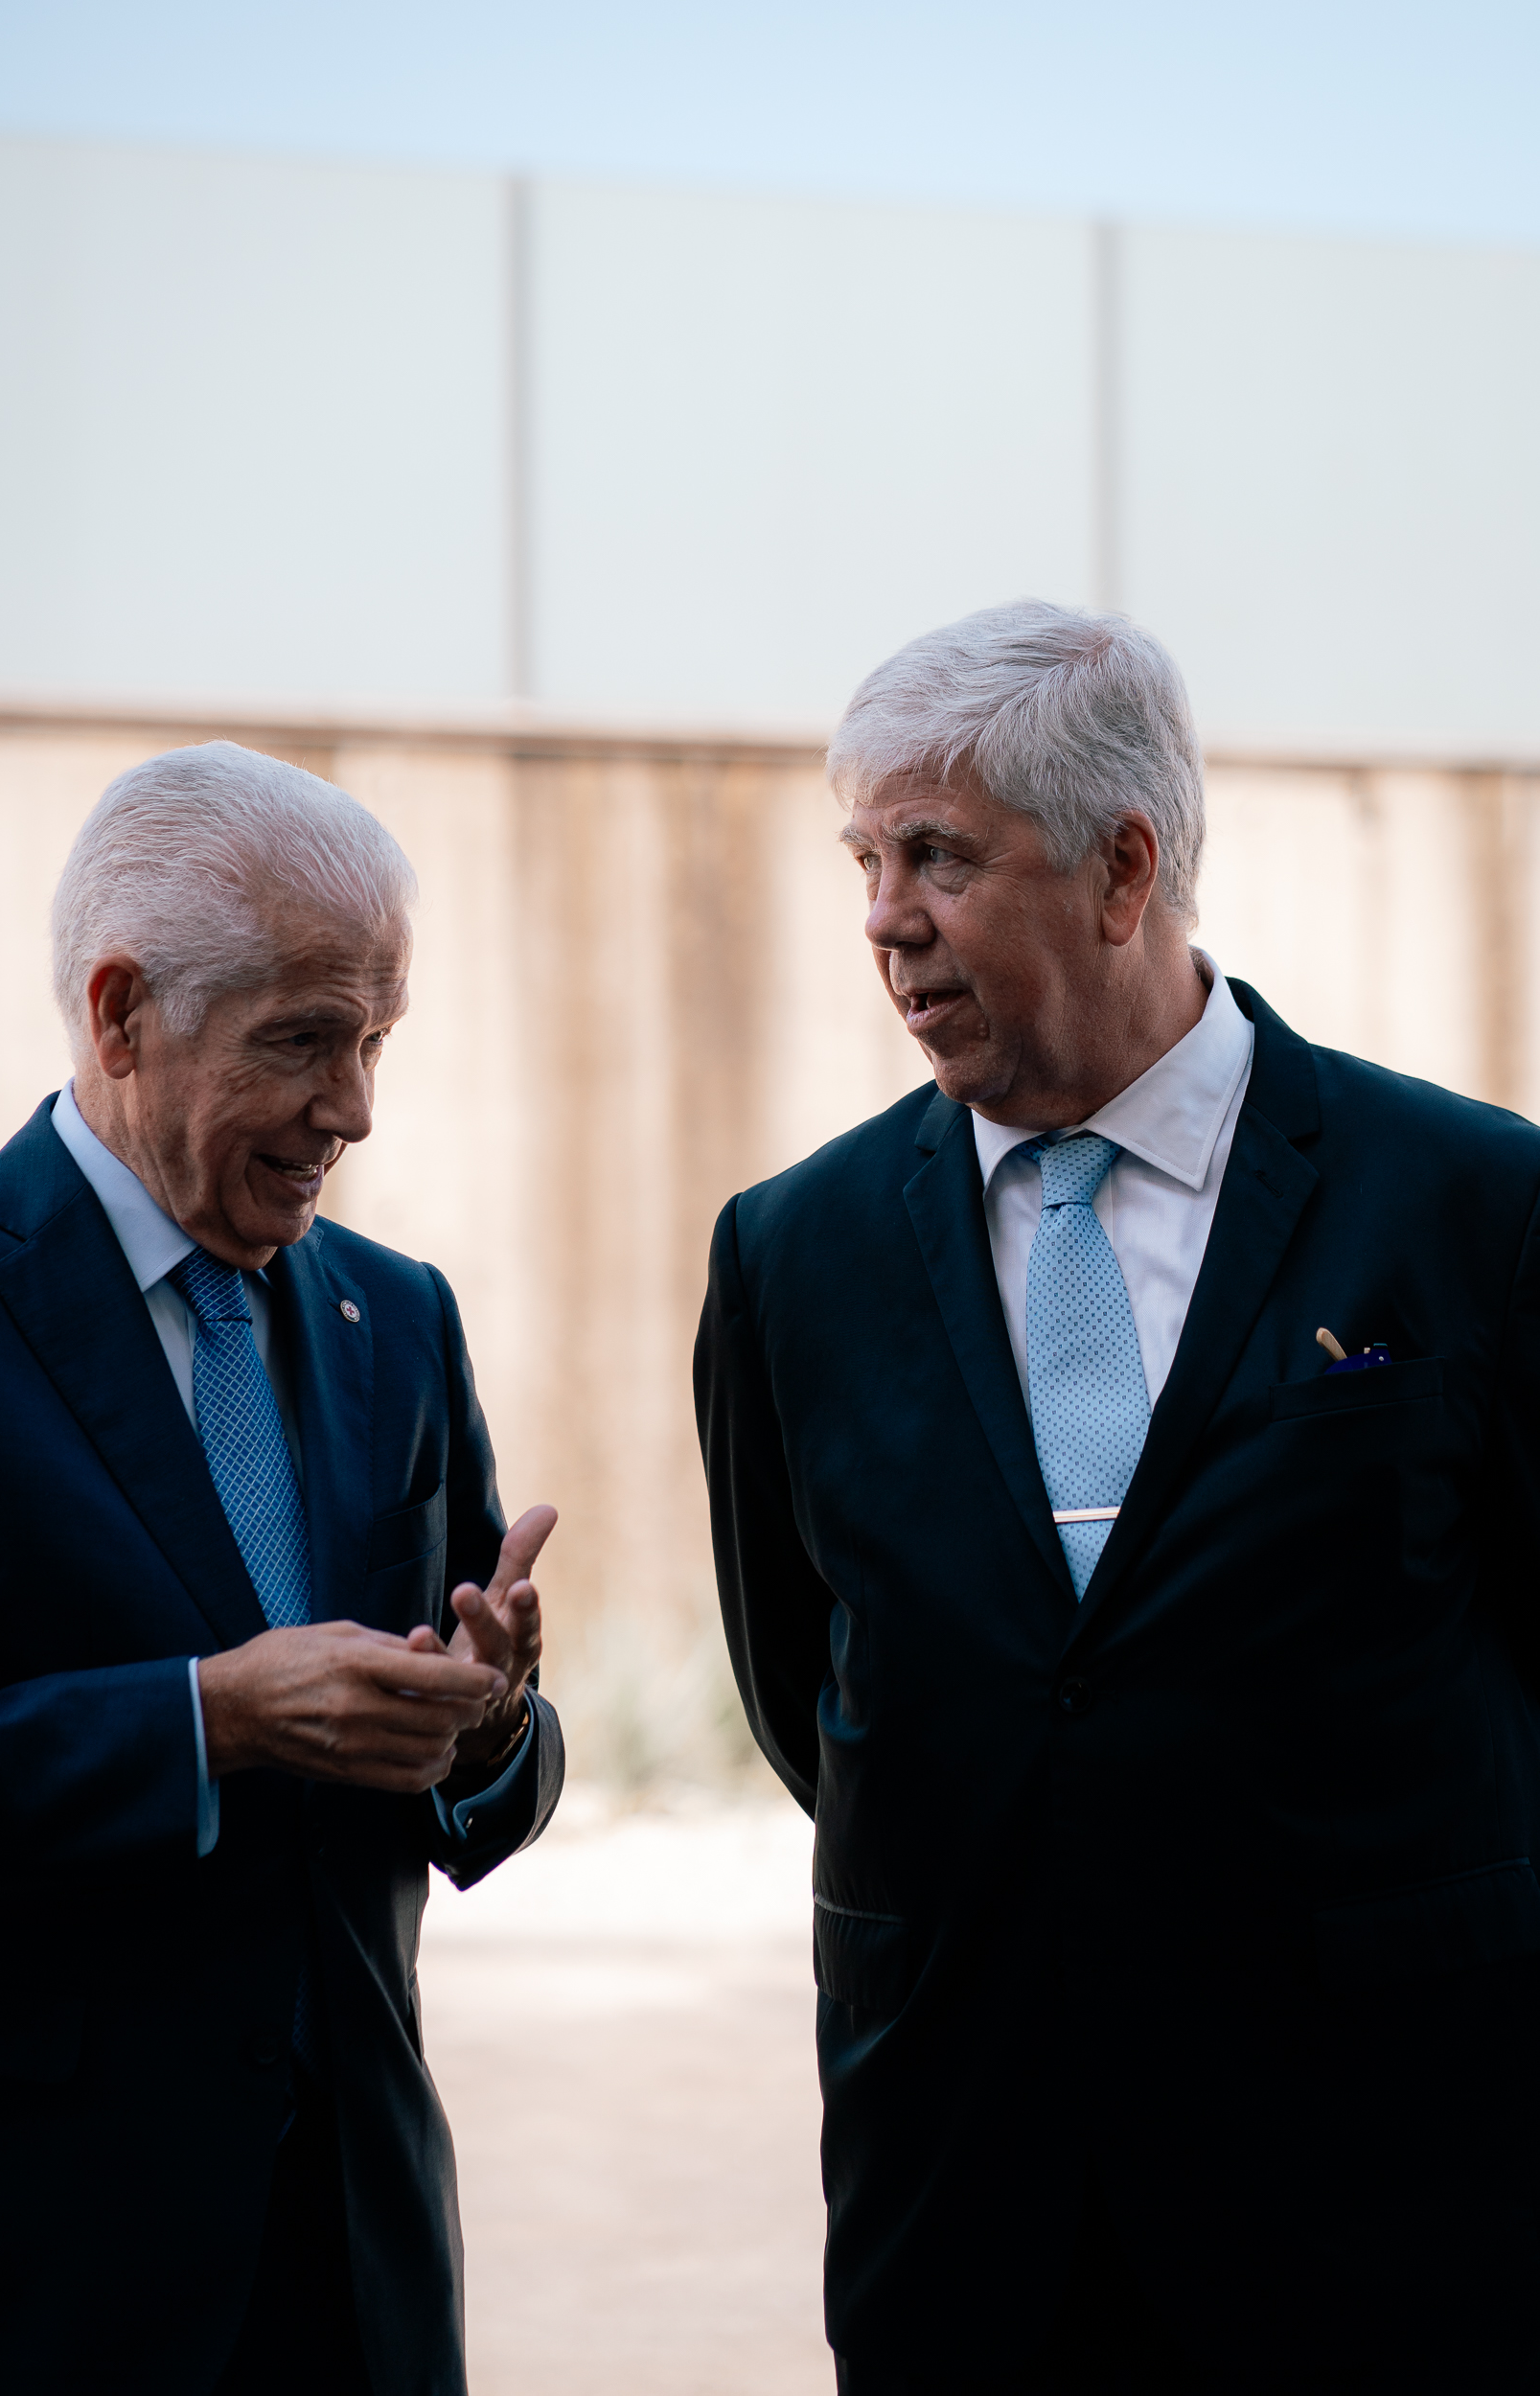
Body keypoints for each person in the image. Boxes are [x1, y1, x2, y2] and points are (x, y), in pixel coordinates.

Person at [695, 601, 1540, 2393]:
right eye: (865, 861)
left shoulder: (1474, 1206)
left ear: (1123, 869)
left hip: (1383, 2202)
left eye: (940, 856)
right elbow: (814, 1690)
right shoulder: (793, 1257)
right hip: (966, 2205)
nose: (885, 917)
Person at [0, 742, 564, 2396]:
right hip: (46, 2267)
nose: (353, 1109)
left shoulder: (398, 1317)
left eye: (375, 1042)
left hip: (360, 2262)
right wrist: (208, 1720)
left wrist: (491, 1724)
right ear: (121, 1014)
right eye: (303, 1040)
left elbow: (480, 1773)